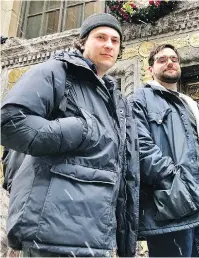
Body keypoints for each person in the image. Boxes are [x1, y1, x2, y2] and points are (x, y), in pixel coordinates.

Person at [1, 13, 139, 257]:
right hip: (54, 232)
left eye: (115, 41)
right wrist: (80, 129)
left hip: (98, 236)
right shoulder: (56, 71)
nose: (108, 44)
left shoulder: (115, 98)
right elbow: (11, 122)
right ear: (83, 42)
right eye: (101, 37)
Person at [131, 44, 199, 257]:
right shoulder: (138, 100)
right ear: (150, 69)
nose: (169, 62)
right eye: (161, 60)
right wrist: (177, 183)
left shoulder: (195, 107)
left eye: (174, 59)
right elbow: (140, 149)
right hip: (170, 204)